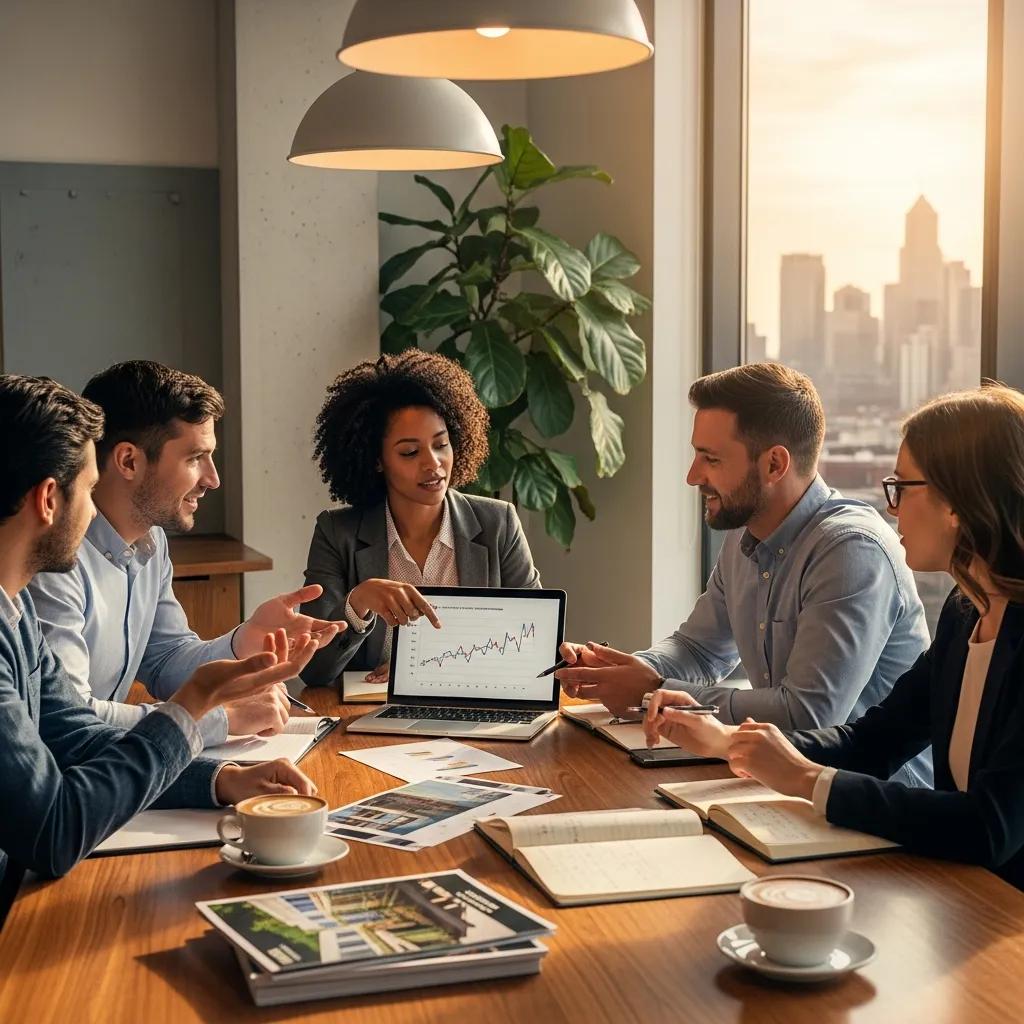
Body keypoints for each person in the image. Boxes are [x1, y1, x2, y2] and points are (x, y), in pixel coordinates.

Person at [644, 383, 1024, 888]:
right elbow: (873, 742)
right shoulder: (966, 613)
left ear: (957, 501)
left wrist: (806, 779)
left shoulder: (861, 552)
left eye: (902, 488)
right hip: (959, 888)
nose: (893, 509)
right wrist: (730, 741)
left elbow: (989, 826)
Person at [0, 374, 323, 921]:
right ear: (50, 499)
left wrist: (219, 780)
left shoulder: (16, 611)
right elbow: (53, 832)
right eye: (88, 488)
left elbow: (75, 736)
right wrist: (194, 711)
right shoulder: (32, 593)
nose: (92, 511)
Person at [556, 362, 931, 786]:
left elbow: (808, 716)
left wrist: (652, 690)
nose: (692, 476)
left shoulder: (851, 551)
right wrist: (619, 672)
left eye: (711, 459)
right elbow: (699, 650)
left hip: (866, 802)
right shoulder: (745, 533)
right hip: (779, 785)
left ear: (774, 464)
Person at [28, 361, 346, 748]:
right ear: (129, 461)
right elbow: (70, 719)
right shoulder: (54, 558)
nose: (213, 479)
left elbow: (166, 659)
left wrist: (245, 640)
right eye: (195, 458)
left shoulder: (152, 541)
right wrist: (220, 719)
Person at [299, 350, 541, 688]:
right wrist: (358, 603)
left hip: (469, 703)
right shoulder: (337, 533)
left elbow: (534, 645)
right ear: (377, 460)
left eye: (441, 445)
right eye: (410, 452)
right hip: (370, 711)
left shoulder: (498, 524)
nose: (433, 464)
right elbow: (313, 670)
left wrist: (429, 667)